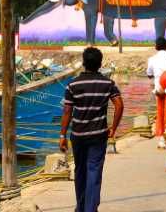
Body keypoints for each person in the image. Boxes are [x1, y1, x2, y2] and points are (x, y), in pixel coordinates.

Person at [59, 47, 123, 212]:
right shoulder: (107, 83)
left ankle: (81, 207)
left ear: (84, 63)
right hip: (98, 135)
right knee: (94, 171)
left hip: (78, 135)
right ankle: (90, 208)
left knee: (80, 171)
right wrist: (113, 128)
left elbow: (67, 111)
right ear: (100, 64)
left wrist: (62, 136)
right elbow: (119, 105)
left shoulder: (72, 84)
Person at [145, 37, 166, 148]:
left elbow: (149, 74)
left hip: (159, 90)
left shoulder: (152, 59)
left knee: (160, 114)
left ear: (156, 47)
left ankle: (162, 140)